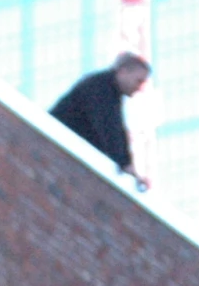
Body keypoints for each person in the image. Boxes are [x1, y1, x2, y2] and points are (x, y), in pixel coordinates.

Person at [50, 52, 152, 187]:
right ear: (123, 72)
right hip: (57, 145)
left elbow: (115, 130)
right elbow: (110, 129)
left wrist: (126, 164)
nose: (140, 88)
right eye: (139, 81)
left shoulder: (107, 89)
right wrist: (125, 165)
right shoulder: (100, 87)